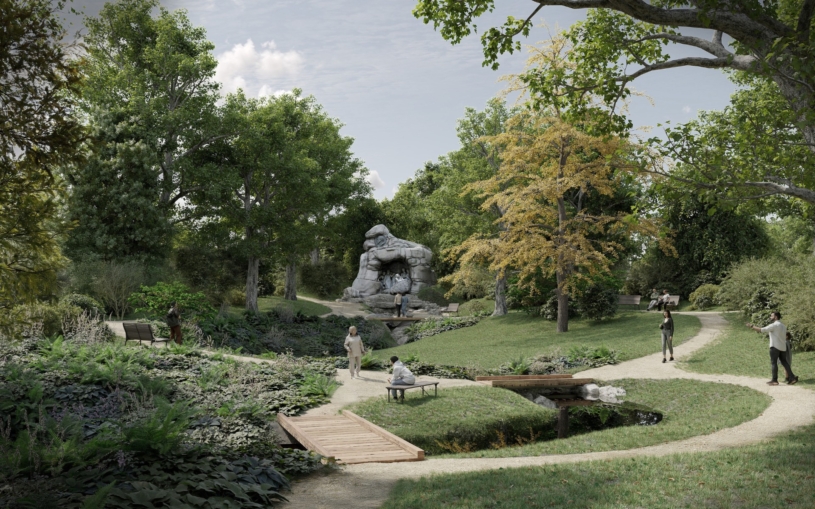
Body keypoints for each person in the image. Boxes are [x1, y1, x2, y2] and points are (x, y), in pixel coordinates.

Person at [747, 311, 798, 385]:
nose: (770, 317)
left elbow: (761, 330)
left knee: (774, 363)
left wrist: (751, 326)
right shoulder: (783, 326)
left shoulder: (774, 325)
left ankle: (774, 380)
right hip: (783, 347)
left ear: (776, 317)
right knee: (785, 362)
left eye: (771, 316)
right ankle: (792, 378)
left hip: (775, 347)